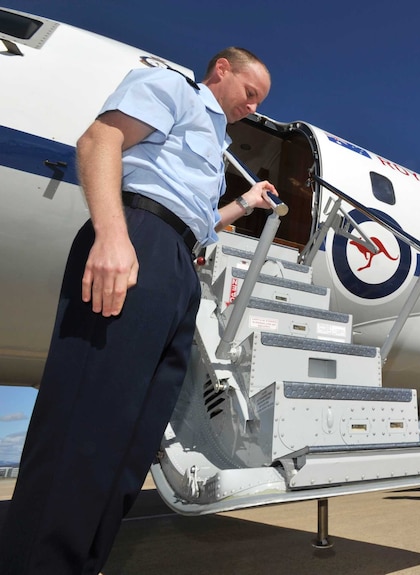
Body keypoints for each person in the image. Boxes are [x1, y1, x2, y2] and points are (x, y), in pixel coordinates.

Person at [0, 48, 278, 574]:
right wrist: (111, 235)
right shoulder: (172, 89)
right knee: (87, 418)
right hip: (138, 239)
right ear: (222, 69)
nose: (253, 105)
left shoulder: (215, 144)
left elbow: (193, 215)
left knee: (133, 435)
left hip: (177, 259)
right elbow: (99, 140)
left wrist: (244, 205)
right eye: (250, 92)